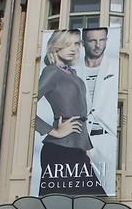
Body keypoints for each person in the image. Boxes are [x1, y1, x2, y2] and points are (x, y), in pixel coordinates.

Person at [35, 29, 105, 195]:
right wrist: (53, 131)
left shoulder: (72, 74)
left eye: (76, 44)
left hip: (77, 148)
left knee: (91, 204)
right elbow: (26, 105)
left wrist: (87, 147)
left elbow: (80, 113)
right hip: (59, 150)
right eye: (67, 44)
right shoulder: (52, 72)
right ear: (56, 46)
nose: (73, 48)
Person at [79, 26, 119, 193]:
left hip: (105, 143)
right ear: (83, 43)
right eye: (92, 40)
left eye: (101, 40)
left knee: (104, 189)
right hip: (77, 144)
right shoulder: (72, 71)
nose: (97, 45)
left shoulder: (115, 67)